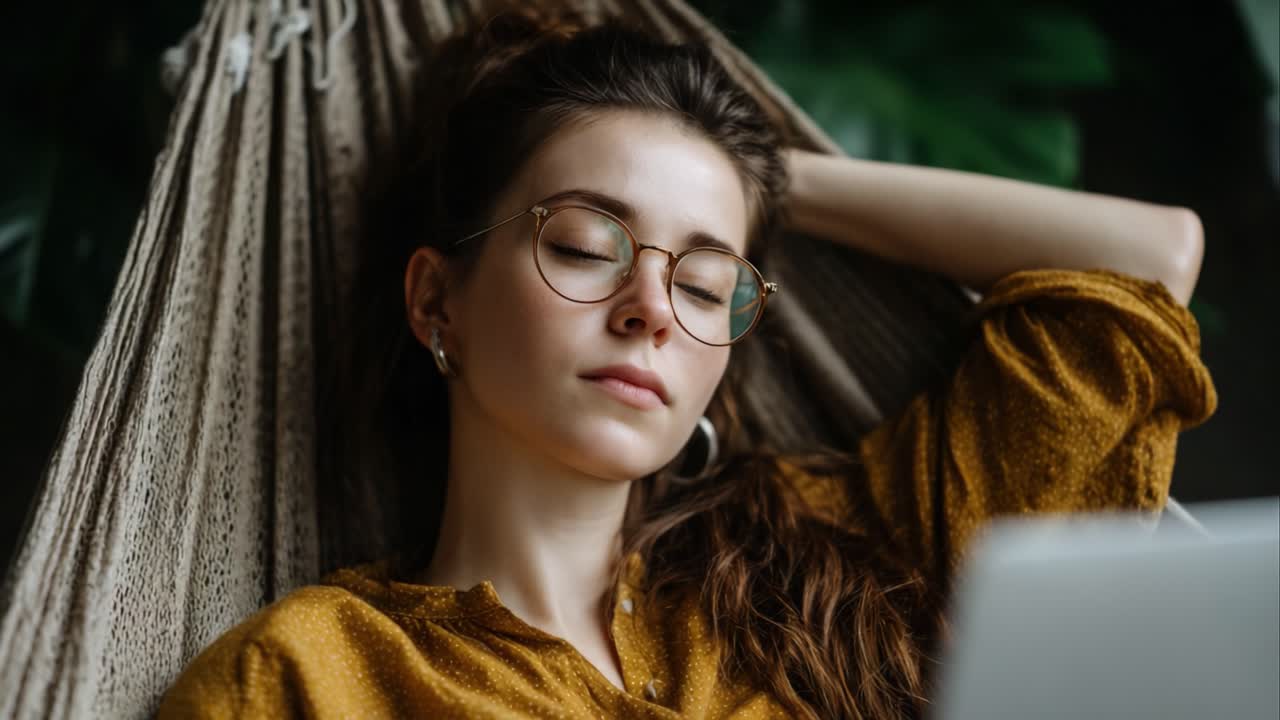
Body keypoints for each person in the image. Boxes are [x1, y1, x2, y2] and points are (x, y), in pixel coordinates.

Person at [157, 8, 1216, 719]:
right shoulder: (305, 678)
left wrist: (759, 179)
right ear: (439, 301)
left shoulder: (839, 559)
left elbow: (1141, 259)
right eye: (583, 245)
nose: (651, 310)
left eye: (708, 282)